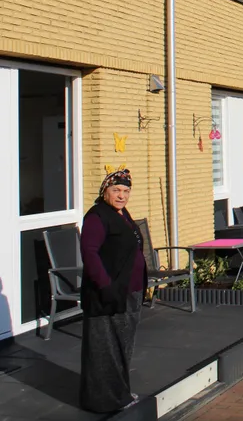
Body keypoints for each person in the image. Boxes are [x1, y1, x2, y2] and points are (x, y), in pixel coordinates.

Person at [79, 169, 147, 412]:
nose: (122, 195)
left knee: (122, 346)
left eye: (126, 191)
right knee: (105, 348)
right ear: (104, 192)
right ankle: (104, 400)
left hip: (130, 291)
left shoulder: (121, 214)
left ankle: (120, 393)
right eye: (116, 190)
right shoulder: (97, 217)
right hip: (108, 293)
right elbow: (90, 253)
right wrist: (105, 285)